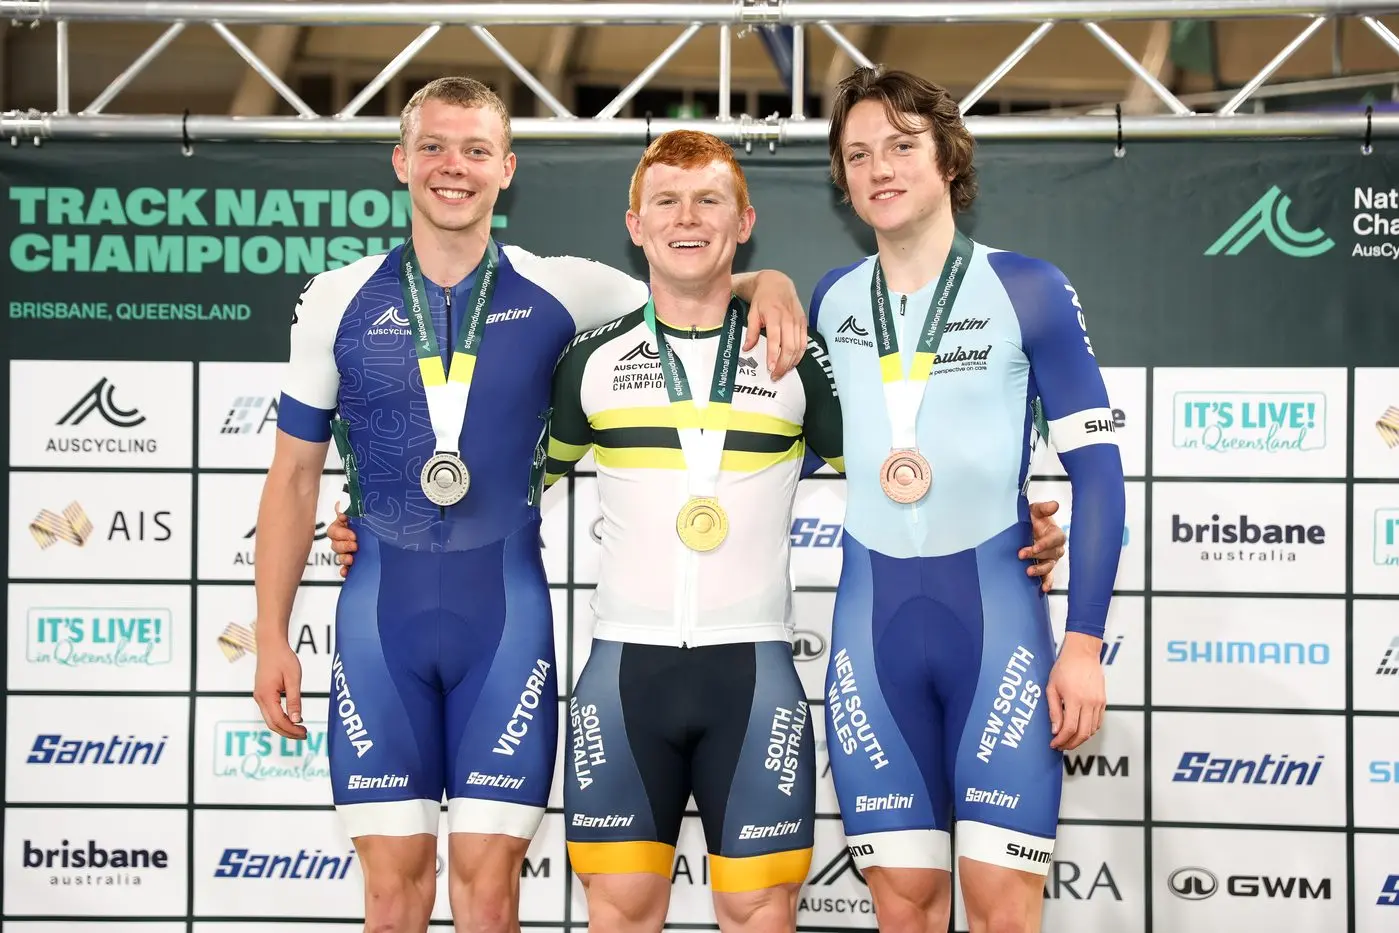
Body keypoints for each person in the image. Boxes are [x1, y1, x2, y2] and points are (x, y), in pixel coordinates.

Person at [327, 127, 1070, 932]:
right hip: (622, 677)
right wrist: (381, 521)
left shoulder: (794, 354)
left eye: (710, 200)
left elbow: (896, 476)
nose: (689, 218)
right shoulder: (588, 360)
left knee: (757, 911)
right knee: (618, 912)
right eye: (667, 203)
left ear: (743, 221)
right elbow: (502, 486)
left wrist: (1000, 518)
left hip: (752, 677)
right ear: (634, 225)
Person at [250, 76, 813, 933]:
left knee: (488, 887)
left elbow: (690, 280)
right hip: (377, 623)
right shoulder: (335, 299)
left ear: (506, 168)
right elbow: (293, 477)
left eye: (476, 150)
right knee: (390, 891)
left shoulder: (569, 291)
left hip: (503, 621)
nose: (454, 167)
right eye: (434, 146)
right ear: (400, 162)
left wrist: (767, 278)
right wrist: (268, 634)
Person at [810, 65, 1127, 933]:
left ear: (947, 158)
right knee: (903, 907)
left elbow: (1098, 475)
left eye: (902, 147)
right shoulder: (832, 300)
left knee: (999, 910)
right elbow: (803, 448)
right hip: (870, 636)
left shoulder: (1026, 287)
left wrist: (1084, 644)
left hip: (998, 635)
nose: (880, 168)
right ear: (842, 178)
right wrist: (755, 285)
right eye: (859, 153)